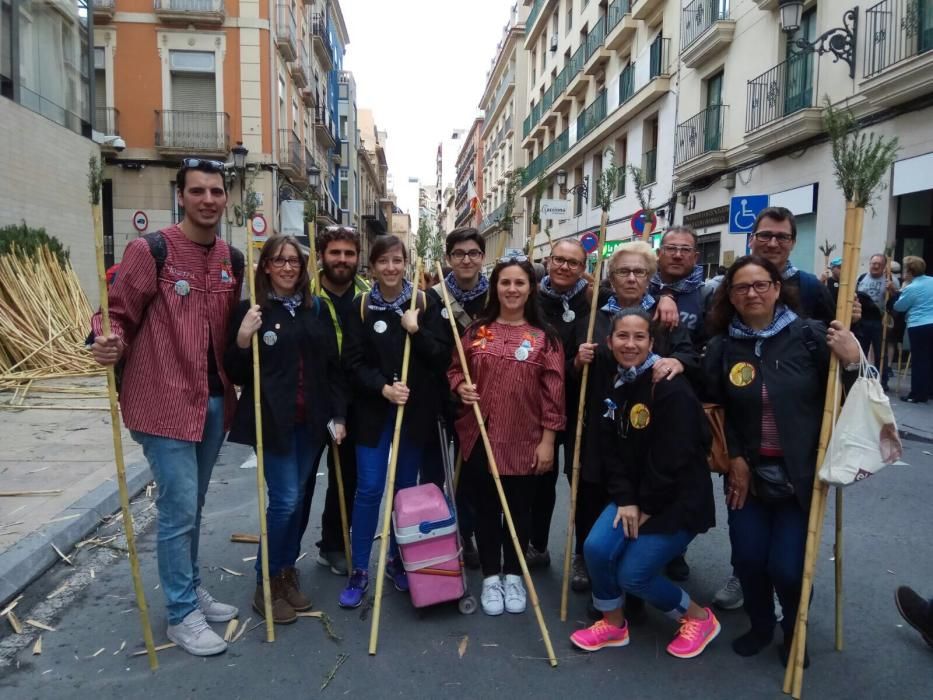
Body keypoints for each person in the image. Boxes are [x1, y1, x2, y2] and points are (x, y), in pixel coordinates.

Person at [89, 158, 242, 656]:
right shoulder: (148, 250)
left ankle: (190, 586)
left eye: (216, 191)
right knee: (177, 509)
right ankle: (180, 614)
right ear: (182, 195)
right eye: (197, 191)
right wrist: (105, 340)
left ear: (226, 197)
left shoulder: (231, 260)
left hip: (215, 401)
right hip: (162, 401)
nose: (208, 200)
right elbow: (113, 314)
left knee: (192, 505)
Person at [704, 255, 860, 665]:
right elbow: (719, 410)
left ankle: (795, 629)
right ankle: (760, 624)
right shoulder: (722, 346)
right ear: (730, 297)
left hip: (802, 473)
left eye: (761, 284)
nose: (752, 292)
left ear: (776, 288)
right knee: (750, 559)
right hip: (747, 474)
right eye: (741, 287)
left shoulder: (810, 336)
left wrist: (853, 360)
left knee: (789, 567)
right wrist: (735, 457)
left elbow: (854, 394)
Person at [569, 308, 718, 659]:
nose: (630, 344)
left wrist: (647, 506)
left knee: (632, 575)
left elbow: (676, 457)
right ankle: (614, 623)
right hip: (635, 496)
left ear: (653, 342)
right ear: (609, 341)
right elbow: (610, 450)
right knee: (595, 548)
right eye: (622, 336)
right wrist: (625, 499)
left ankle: (698, 617)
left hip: (677, 501)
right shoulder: (615, 382)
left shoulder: (668, 385)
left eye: (639, 337)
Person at [224, 235, 347, 624]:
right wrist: (243, 337)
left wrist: (338, 416)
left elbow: (332, 368)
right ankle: (266, 581)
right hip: (272, 423)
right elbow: (236, 371)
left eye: (294, 260)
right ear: (266, 267)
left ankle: (285, 572)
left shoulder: (317, 310)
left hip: (311, 423)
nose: (288, 267)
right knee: (285, 501)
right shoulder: (252, 310)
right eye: (279, 260)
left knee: (300, 501)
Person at [449, 256, 565, 616]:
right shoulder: (475, 332)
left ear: (530, 288)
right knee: (485, 510)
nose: (512, 289)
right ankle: (489, 575)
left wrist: (548, 441)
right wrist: (460, 387)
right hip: (480, 436)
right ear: (495, 287)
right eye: (505, 282)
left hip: (525, 439)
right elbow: (455, 370)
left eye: (519, 283)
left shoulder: (546, 338)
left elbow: (554, 393)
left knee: (519, 511)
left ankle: (513, 574)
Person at [579, 241, 699, 589]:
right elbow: (577, 373)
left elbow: (690, 357)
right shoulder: (596, 316)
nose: (631, 278)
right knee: (601, 490)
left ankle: (660, 554)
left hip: (655, 425)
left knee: (656, 487)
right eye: (623, 272)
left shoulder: (666, 317)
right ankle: (598, 563)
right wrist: (579, 359)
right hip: (607, 420)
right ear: (611, 279)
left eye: (640, 272)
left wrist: (678, 361)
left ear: (651, 278)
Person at [339, 235, 449, 608]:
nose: (390, 268)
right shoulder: (361, 306)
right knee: (369, 489)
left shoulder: (425, 302)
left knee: (405, 490)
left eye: (397, 260)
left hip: (413, 413)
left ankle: (399, 560)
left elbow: (440, 358)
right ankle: (359, 570)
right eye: (383, 261)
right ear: (372, 266)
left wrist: (416, 331)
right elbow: (352, 362)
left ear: (406, 263)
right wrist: (383, 388)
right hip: (373, 413)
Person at [307, 226, 370, 577]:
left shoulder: (367, 294)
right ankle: (280, 563)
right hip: (312, 398)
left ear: (357, 257)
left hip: (354, 400)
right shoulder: (305, 293)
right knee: (298, 486)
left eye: (349, 253)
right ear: (321, 255)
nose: (342, 260)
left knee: (346, 476)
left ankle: (332, 545)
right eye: (335, 253)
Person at [426, 227, 490, 569]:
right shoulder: (430, 298)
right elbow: (427, 353)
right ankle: (435, 536)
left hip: (478, 400)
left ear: (482, 257)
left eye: (473, 253)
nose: (466, 259)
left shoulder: (495, 298)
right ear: (449, 258)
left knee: (472, 475)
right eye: (459, 254)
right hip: (439, 400)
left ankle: (467, 534)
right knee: (438, 474)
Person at [529, 239, 590, 576]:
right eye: (559, 260)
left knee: (582, 482)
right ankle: (537, 545)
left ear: (584, 268)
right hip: (541, 405)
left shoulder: (596, 300)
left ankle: (583, 555)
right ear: (549, 262)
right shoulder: (531, 300)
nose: (565, 267)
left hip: (583, 406)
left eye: (573, 262)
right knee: (541, 478)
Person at [748, 207, 836, 323]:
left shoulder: (812, 289)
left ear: (793, 243)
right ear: (750, 240)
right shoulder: (730, 286)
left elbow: (833, 337)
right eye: (765, 235)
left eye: (782, 237)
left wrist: (854, 322)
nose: (773, 244)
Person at [648, 225, 708, 344]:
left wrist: (682, 361)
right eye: (671, 248)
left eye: (685, 250)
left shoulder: (708, 296)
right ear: (659, 254)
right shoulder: (644, 290)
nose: (677, 255)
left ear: (695, 257)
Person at [892, 256, 933, 403]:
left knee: (919, 360)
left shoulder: (911, 288)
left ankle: (917, 394)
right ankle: (929, 390)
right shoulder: (932, 281)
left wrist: (897, 293)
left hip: (918, 325)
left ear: (910, 271)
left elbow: (899, 306)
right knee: (930, 358)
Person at [856, 254, 898, 381]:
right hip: (862, 318)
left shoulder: (890, 280)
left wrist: (892, 291)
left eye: (878, 264)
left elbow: (896, 303)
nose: (875, 266)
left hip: (879, 320)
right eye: (873, 263)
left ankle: (882, 380)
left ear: (884, 266)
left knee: (880, 352)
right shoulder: (861, 278)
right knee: (860, 350)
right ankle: (859, 377)